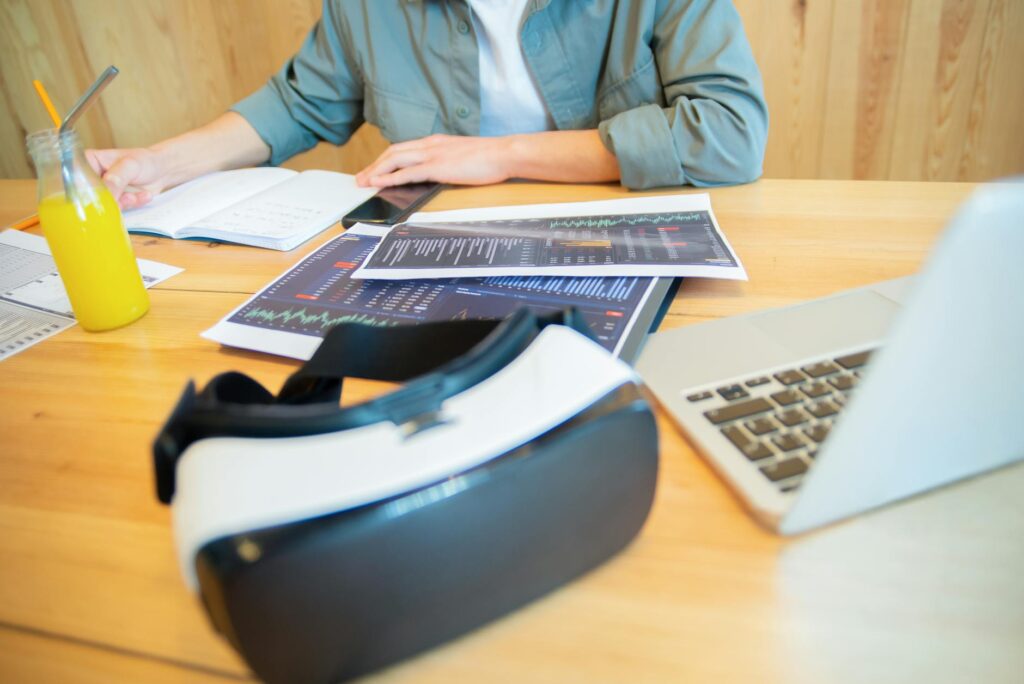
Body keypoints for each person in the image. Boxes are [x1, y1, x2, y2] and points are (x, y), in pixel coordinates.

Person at [87, 0, 768, 210]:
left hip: (622, 231)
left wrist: (500, 157)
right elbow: (296, 105)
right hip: (444, 243)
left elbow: (730, 134)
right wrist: (160, 162)